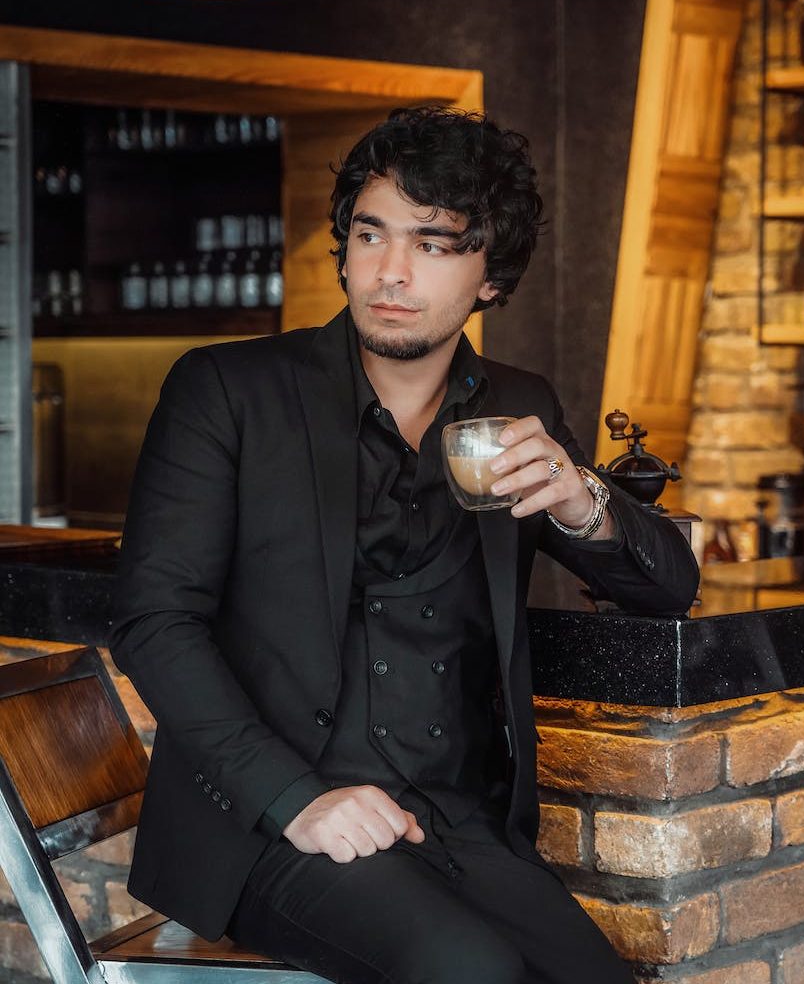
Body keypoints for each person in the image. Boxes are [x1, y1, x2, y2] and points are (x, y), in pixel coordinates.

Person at [110, 106, 699, 984]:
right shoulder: (227, 390)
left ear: (490, 275)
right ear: (342, 247)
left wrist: (584, 500)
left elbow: (668, 588)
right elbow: (155, 622)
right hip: (272, 823)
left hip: (460, 821)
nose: (390, 272)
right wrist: (295, 800)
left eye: (433, 243)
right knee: (472, 971)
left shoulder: (515, 404)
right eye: (371, 234)